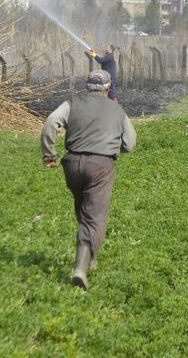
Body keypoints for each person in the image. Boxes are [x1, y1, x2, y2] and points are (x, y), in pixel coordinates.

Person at [41, 70, 137, 289]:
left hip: (72, 164)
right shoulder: (117, 109)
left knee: (83, 207)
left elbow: (51, 122)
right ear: (107, 87)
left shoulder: (72, 102)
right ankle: (81, 270)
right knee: (95, 215)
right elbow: (130, 144)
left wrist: (49, 155)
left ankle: (89, 255)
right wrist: (114, 146)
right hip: (100, 166)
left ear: (87, 86)